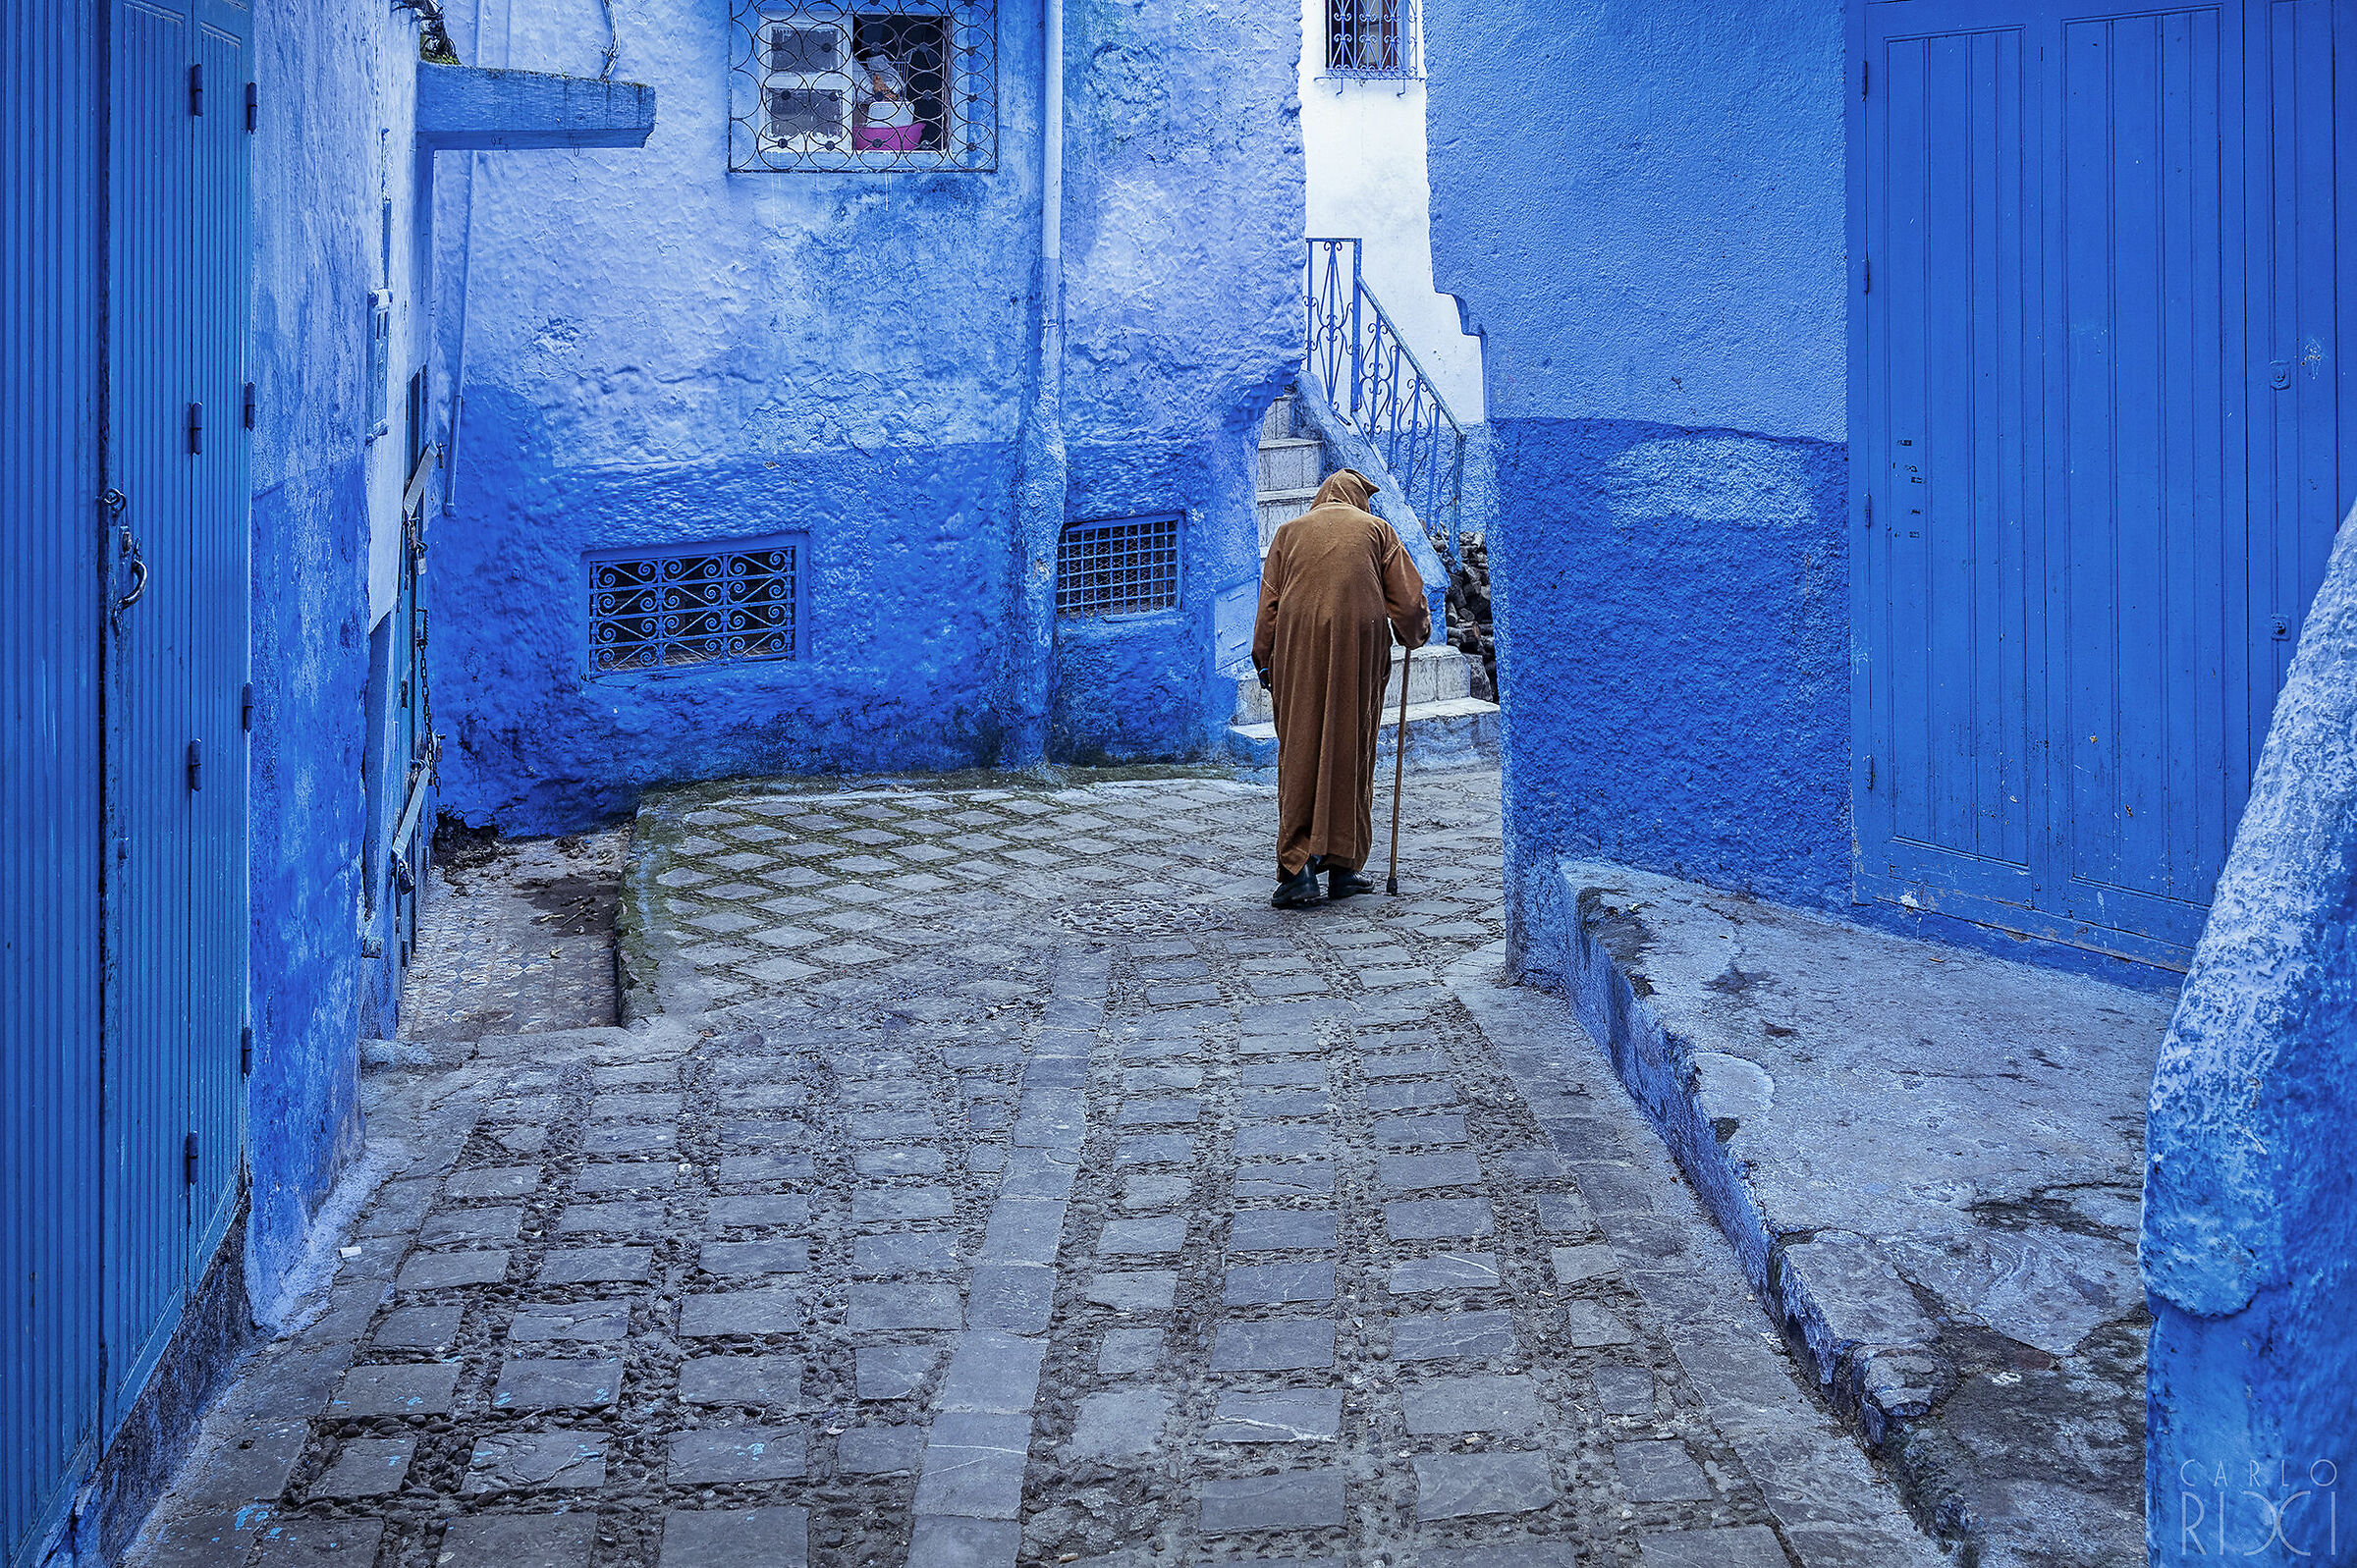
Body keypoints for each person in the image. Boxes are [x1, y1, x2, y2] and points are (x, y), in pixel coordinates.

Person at [1251, 467, 1431, 907]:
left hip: (1298, 651)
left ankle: (1301, 870)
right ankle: (1345, 863)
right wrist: (1414, 634)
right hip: (1359, 649)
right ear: (1356, 499)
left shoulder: (1289, 533)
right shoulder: (1377, 530)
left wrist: (1264, 662)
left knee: (1300, 747)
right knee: (1352, 744)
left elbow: (1269, 603)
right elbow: (1408, 604)